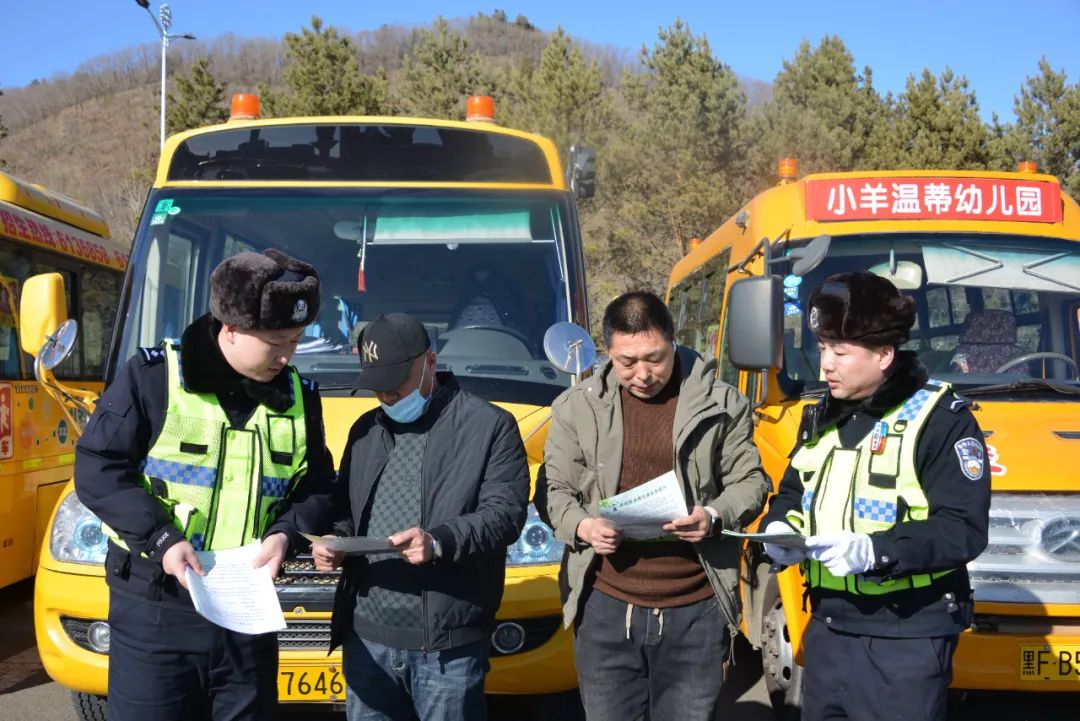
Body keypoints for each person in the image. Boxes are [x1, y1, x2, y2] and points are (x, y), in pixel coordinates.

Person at [75, 249, 336, 721]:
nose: (286, 355)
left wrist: (286, 535)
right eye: (275, 341)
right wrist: (160, 538)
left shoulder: (300, 397)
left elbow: (318, 487)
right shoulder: (155, 379)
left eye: (296, 341)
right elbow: (99, 468)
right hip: (158, 605)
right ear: (230, 329)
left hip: (247, 615)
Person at [759, 272, 991, 721]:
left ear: (884, 354)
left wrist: (875, 551)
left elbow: (962, 528)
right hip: (828, 625)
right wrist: (780, 528)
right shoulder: (819, 416)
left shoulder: (941, 420)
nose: (825, 363)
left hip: (906, 635)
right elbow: (793, 492)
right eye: (823, 347)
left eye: (840, 352)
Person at [540, 291, 770, 721]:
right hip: (606, 608)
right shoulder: (577, 408)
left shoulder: (721, 404)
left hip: (696, 609)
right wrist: (584, 527)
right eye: (627, 362)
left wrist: (714, 516)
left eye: (654, 358)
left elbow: (751, 481)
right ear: (608, 352)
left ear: (672, 341)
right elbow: (555, 491)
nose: (642, 374)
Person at [311, 312, 529, 721]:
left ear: (429, 361)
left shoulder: (490, 426)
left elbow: (505, 515)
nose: (389, 398)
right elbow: (346, 508)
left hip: (447, 648)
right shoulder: (365, 429)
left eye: (397, 385)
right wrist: (334, 542)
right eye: (378, 389)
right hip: (367, 640)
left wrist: (438, 541)